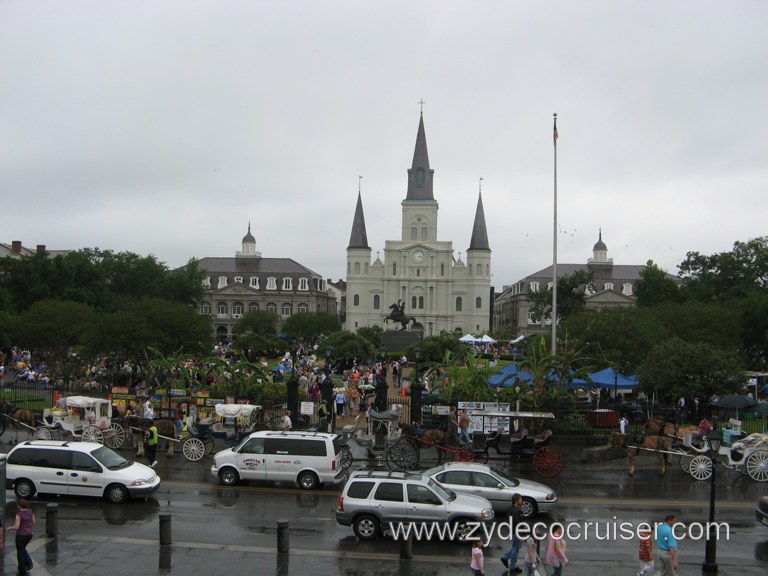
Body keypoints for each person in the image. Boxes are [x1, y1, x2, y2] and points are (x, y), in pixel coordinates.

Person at [9, 498, 35, 576]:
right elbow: (34, 521)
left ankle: (22, 571)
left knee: (19, 553)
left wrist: (10, 528)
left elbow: (17, 527)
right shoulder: (30, 511)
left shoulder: (19, 514)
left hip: (20, 535)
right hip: (29, 535)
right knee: (23, 549)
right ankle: (29, 564)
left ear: (19, 506)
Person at [500, 493, 524, 573]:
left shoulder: (510, 509)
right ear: (516, 500)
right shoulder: (517, 511)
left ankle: (505, 557)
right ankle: (513, 567)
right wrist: (523, 533)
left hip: (512, 531)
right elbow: (518, 523)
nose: (522, 500)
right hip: (516, 532)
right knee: (515, 548)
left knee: (517, 546)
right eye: (520, 499)